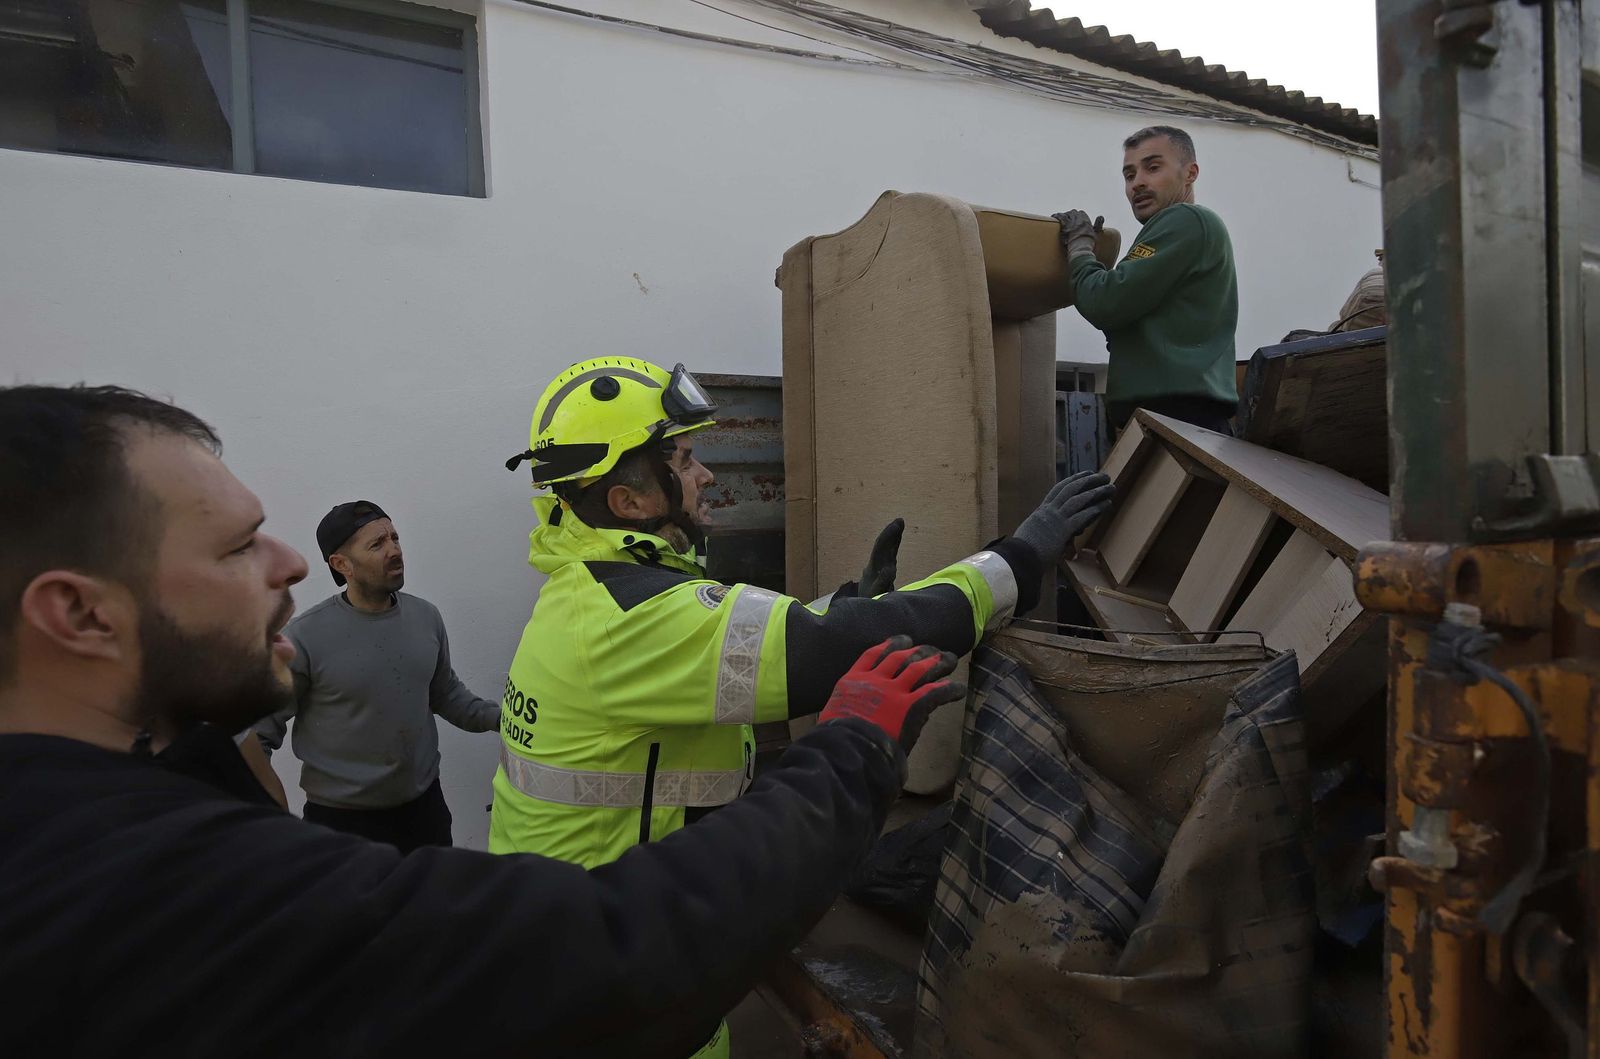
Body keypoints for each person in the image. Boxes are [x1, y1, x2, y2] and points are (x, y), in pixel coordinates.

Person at [0, 383, 966, 1057]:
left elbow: (461, 703)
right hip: (355, 819)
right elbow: (606, 957)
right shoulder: (169, 892)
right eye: (239, 544)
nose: (291, 560)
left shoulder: (166, 769)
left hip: (418, 813)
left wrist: (535, 720)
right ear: (79, 613)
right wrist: (851, 742)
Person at [491, 357, 1114, 1057]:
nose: (706, 476)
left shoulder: (591, 593)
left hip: (592, 934)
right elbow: (811, 649)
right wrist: (1020, 559)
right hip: (622, 982)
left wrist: (845, 608)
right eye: (686, 458)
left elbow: (733, 651)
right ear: (630, 501)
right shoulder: (632, 615)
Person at [252, 500, 499, 852]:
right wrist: (261, 815)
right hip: (342, 826)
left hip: (425, 813)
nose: (394, 550)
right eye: (377, 544)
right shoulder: (303, 638)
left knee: (431, 907)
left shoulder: (426, 618)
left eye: (394, 538)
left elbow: (445, 695)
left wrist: (507, 721)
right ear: (341, 565)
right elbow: (260, 733)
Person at [1055, 125, 1240, 434]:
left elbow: (1104, 301)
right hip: (1175, 421)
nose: (1138, 183)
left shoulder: (1185, 219)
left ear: (1190, 173)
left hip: (1177, 421)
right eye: (1129, 175)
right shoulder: (1175, 231)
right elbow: (1124, 309)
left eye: (1152, 168)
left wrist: (1080, 248)